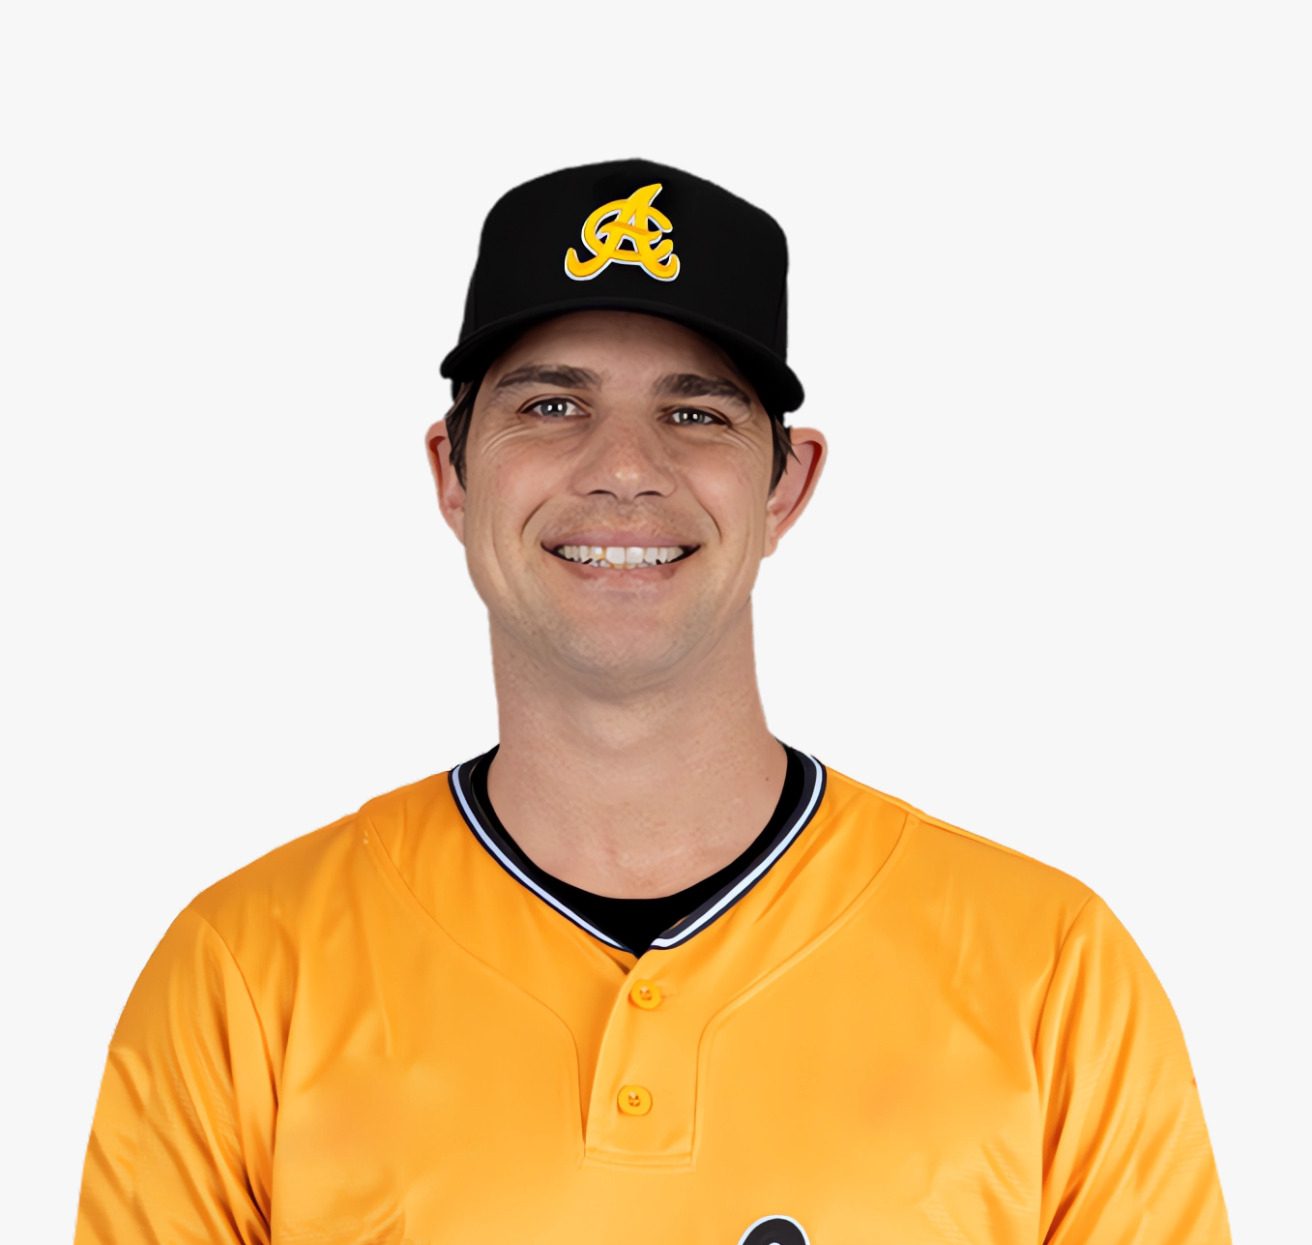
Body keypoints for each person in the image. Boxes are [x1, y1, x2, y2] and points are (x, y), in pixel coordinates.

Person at [73, 157, 1232, 1244]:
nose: (624, 467)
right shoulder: (246, 971)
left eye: (695, 412)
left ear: (786, 485)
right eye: (549, 405)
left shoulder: (1049, 970)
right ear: (450, 473)